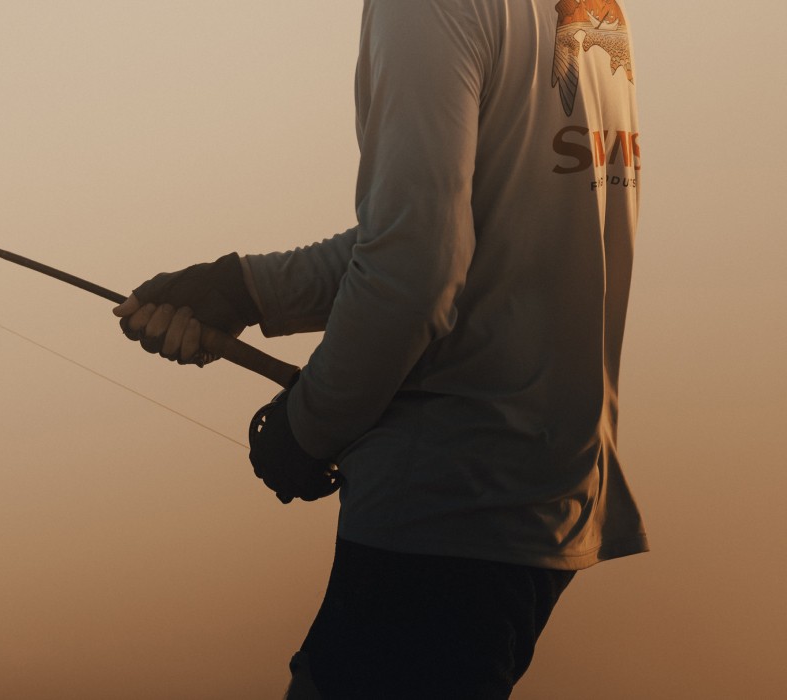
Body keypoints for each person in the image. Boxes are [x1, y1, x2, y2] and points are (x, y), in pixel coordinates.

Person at [114, 0, 648, 696]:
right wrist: (246, 288)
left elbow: (417, 266)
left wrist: (306, 430)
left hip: (445, 512)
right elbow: (462, 226)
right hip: (551, 499)